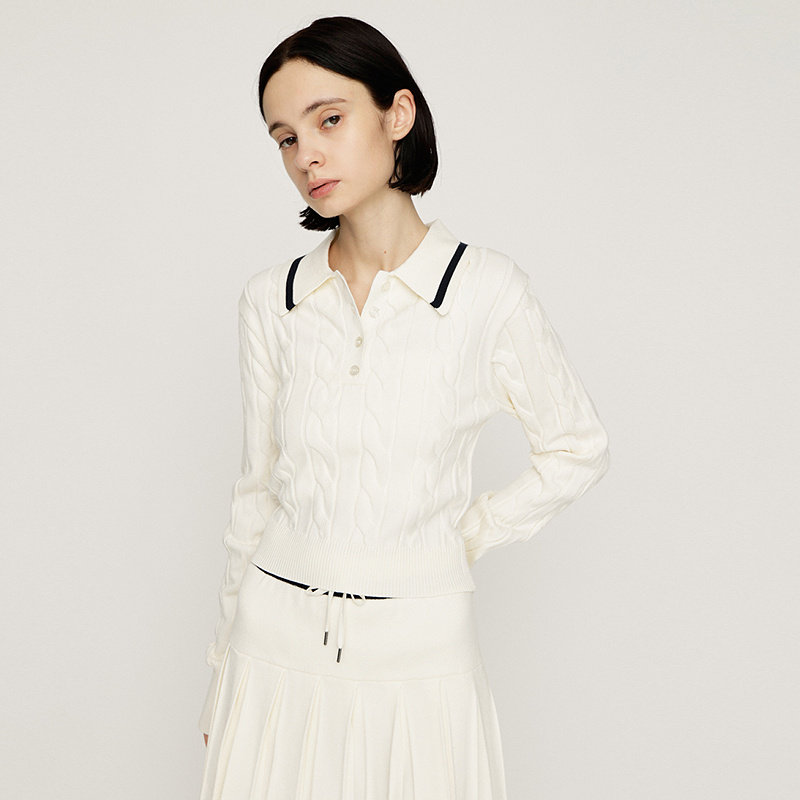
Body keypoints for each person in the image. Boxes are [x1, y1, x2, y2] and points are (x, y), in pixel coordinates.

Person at [198, 15, 610, 800]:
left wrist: (465, 535)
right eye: (285, 138)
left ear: (398, 114)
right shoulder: (273, 300)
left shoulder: (486, 292)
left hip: (420, 660)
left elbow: (577, 447)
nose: (306, 154)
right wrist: (222, 667)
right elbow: (255, 494)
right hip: (271, 651)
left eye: (329, 119)